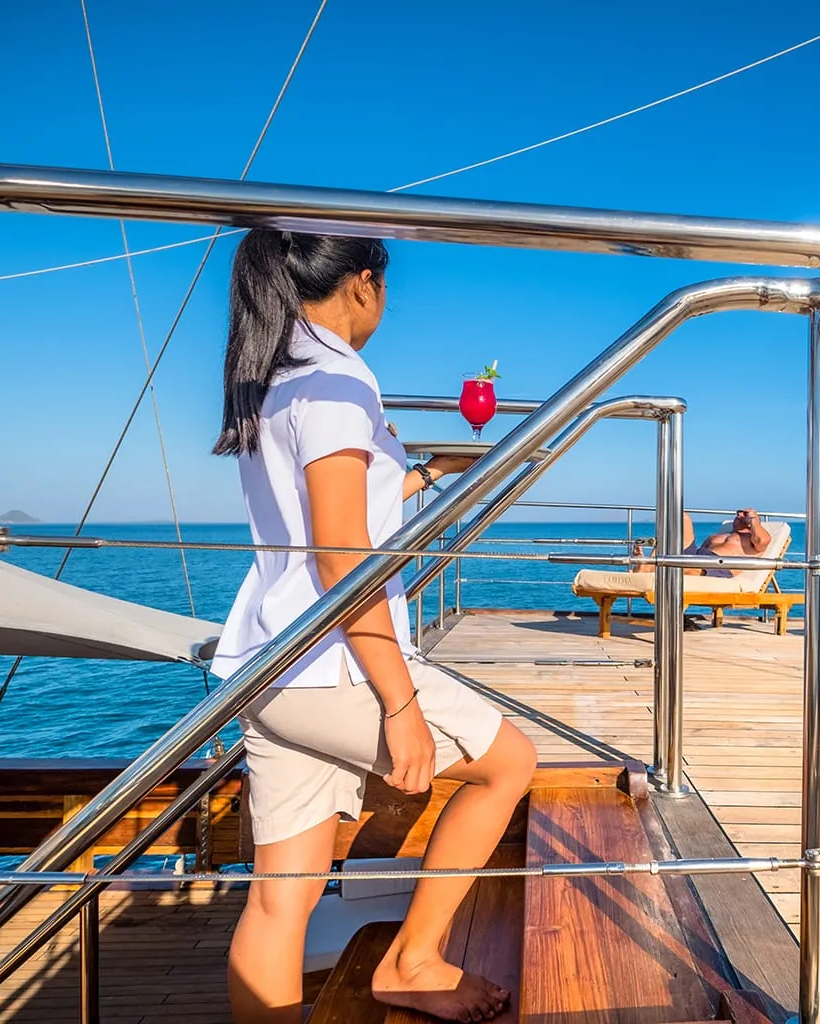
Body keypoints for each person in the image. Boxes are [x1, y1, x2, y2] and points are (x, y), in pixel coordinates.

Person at [210, 229, 536, 1024]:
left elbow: (339, 513)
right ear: (364, 285)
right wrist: (399, 700)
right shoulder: (340, 383)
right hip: (333, 666)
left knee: (281, 904)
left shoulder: (280, 378)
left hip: (270, 664)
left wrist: (429, 471)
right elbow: (341, 557)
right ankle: (414, 959)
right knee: (508, 766)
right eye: (384, 288)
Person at [636, 508, 773, 577]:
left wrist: (753, 518)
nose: (739, 515)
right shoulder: (721, 535)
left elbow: (763, 540)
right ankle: (650, 562)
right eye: (737, 513)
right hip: (698, 555)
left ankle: (647, 568)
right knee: (682, 517)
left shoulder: (752, 539)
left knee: (689, 569)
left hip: (718, 564)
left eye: (743, 514)